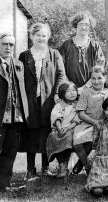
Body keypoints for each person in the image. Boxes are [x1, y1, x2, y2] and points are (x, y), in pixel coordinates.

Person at [19, 23, 66, 180]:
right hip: (30, 100)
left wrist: (58, 93)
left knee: (46, 132)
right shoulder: (24, 56)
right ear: (32, 36)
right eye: (38, 35)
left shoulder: (54, 54)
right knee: (30, 132)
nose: (41, 38)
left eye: (44, 35)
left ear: (48, 37)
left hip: (49, 100)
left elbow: (60, 75)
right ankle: (30, 169)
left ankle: (46, 167)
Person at [0, 33, 28, 192]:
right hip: (0, 114)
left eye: (11, 44)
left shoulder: (18, 65)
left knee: (11, 150)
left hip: (15, 116)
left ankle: (4, 184)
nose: (8, 47)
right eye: (5, 44)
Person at [59, 11, 105, 92]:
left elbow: (99, 71)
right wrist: (69, 87)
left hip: (91, 90)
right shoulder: (66, 45)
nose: (84, 27)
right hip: (69, 91)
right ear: (76, 25)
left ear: (90, 26)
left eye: (86, 24)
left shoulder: (95, 46)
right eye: (81, 24)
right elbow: (60, 69)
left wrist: (84, 88)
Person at [72, 65, 106, 175]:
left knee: (92, 141)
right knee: (78, 141)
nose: (96, 81)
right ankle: (87, 167)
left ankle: (81, 162)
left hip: (101, 124)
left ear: (105, 78)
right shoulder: (86, 93)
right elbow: (80, 113)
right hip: (86, 123)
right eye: (93, 78)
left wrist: (99, 123)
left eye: (99, 78)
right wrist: (94, 122)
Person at [46, 82, 79, 178]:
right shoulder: (59, 105)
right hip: (60, 128)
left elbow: (77, 120)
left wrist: (67, 128)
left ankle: (66, 165)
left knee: (68, 137)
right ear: (62, 93)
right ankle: (62, 165)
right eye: (68, 91)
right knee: (54, 137)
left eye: (74, 90)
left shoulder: (78, 105)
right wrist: (59, 128)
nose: (72, 93)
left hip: (72, 128)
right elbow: (56, 116)